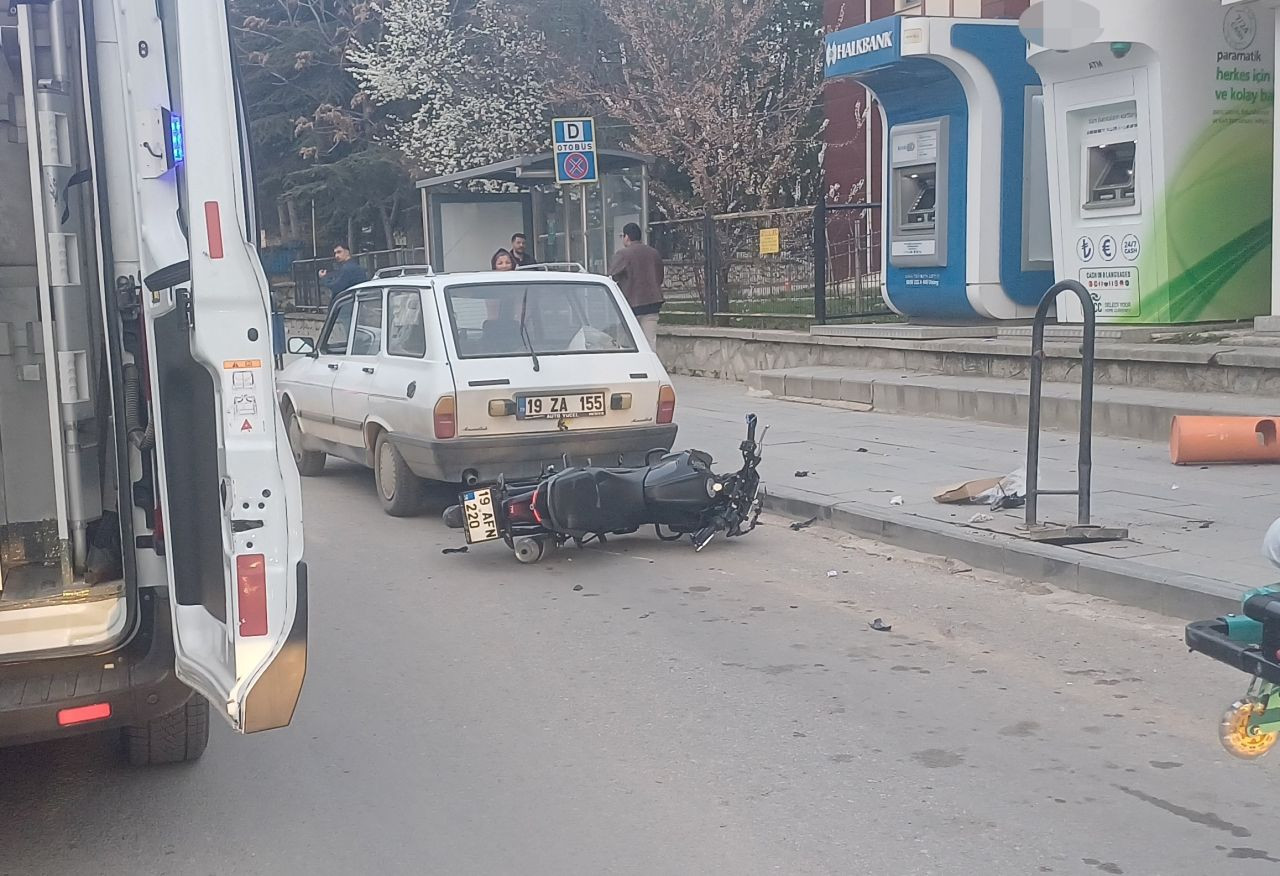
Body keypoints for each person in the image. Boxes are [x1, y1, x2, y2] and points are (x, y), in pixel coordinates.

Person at [610, 223, 664, 350]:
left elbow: (613, 275)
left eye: (622, 236)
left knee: (626, 343)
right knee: (650, 343)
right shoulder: (654, 253)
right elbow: (659, 277)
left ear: (627, 237)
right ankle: (649, 367)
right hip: (652, 304)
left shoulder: (623, 254)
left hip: (630, 305)